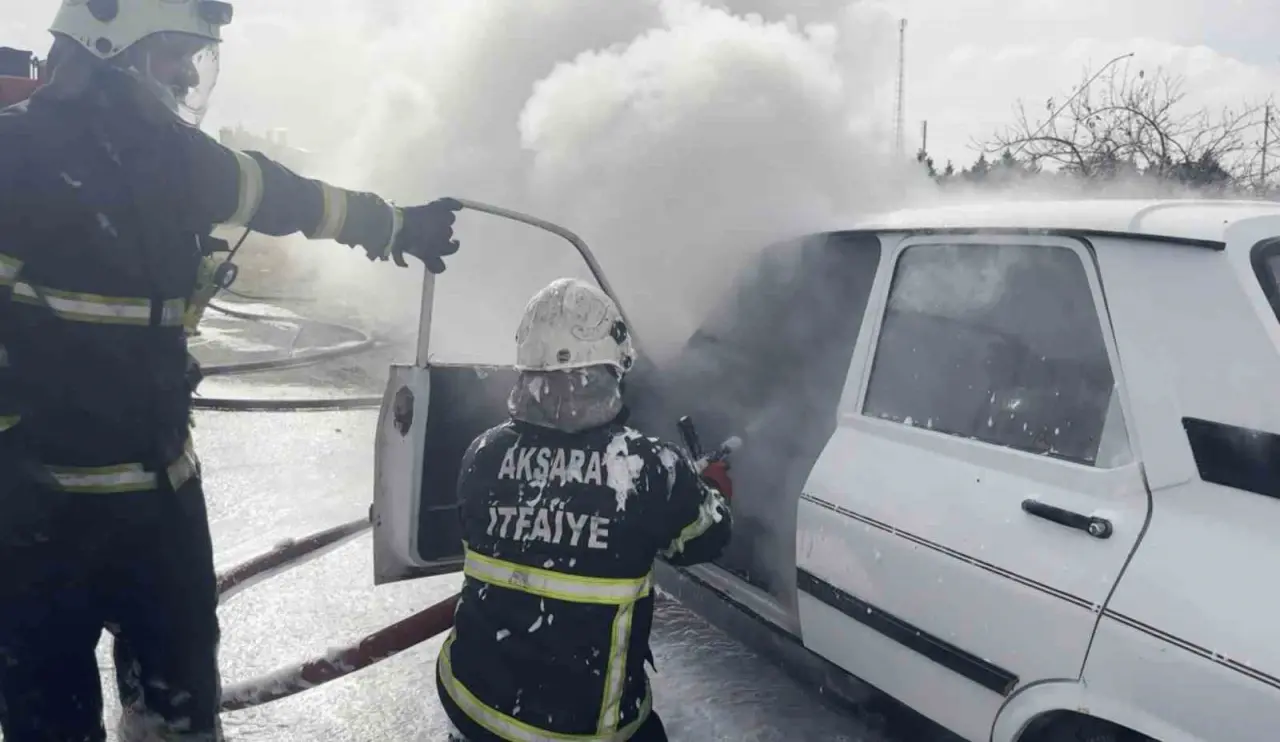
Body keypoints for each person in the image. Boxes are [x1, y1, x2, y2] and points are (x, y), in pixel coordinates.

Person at [0, 1, 464, 740]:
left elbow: (286, 195)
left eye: (196, 59)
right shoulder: (16, 159)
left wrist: (392, 223)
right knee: (50, 718)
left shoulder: (173, 158)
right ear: (107, 50)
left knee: (182, 712)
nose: (187, 75)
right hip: (40, 517)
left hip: (162, 502)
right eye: (172, 57)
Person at [436, 278, 735, 742]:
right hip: (580, 729)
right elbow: (706, 538)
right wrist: (710, 489)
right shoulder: (649, 467)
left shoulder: (483, 452)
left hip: (470, 703)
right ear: (611, 369)